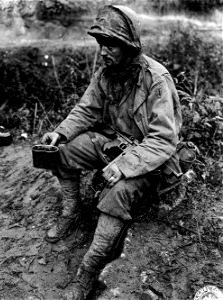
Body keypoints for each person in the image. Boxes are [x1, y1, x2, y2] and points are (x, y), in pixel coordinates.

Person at [41, 5, 182, 300]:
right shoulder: (105, 74)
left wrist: (124, 166)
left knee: (115, 193)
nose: (104, 52)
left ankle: (88, 272)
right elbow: (86, 109)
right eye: (101, 44)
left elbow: (164, 140)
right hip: (113, 144)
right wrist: (61, 132)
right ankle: (72, 211)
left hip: (149, 159)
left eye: (112, 45)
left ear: (129, 47)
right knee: (63, 153)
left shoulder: (157, 80)